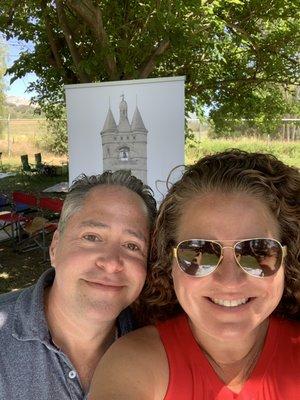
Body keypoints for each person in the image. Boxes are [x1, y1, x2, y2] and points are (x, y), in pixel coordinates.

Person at [89, 150, 300, 400]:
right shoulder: (134, 364)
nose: (230, 281)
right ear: (171, 262)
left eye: (258, 251)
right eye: (199, 252)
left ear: (287, 259)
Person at [0, 170, 157, 400]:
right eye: (92, 237)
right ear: (55, 248)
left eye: (132, 246)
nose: (111, 263)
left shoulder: (158, 345)